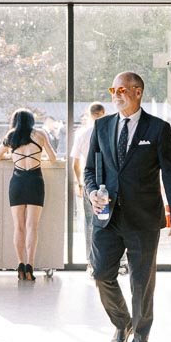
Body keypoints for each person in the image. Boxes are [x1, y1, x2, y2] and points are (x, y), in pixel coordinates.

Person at [83, 72, 171, 342]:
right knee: (101, 274)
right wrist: (92, 192)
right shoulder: (102, 126)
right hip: (107, 217)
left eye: (122, 90)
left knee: (141, 286)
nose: (116, 95)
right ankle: (122, 323)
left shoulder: (158, 128)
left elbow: (170, 174)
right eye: (113, 89)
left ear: (137, 92)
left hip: (143, 220)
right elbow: (90, 170)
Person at [0, 109, 57, 280]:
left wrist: (11, 156)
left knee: (18, 226)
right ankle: (30, 266)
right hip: (35, 181)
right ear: (31, 120)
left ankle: (20, 264)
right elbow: (53, 157)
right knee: (32, 227)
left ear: (15, 121)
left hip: (18, 182)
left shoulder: (11, 135)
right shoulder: (40, 134)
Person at [72, 102, 108, 271]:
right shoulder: (109, 132)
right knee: (113, 220)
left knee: (90, 222)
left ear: (89, 114)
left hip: (89, 182)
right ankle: (116, 261)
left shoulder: (82, 134)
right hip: (108, 182)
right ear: (104, 113)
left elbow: (75, 163)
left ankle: (91, 262)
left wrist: (80, 183)